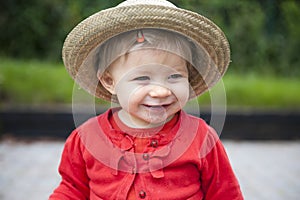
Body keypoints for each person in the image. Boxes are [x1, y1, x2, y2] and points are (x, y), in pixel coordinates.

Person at [49, 0, 243, 199]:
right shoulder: (86, 138)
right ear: (109, 81)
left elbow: (225, 193)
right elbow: (72, 189)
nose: (160, 91)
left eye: (174, 76)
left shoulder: (200, 138)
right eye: (142, 78)